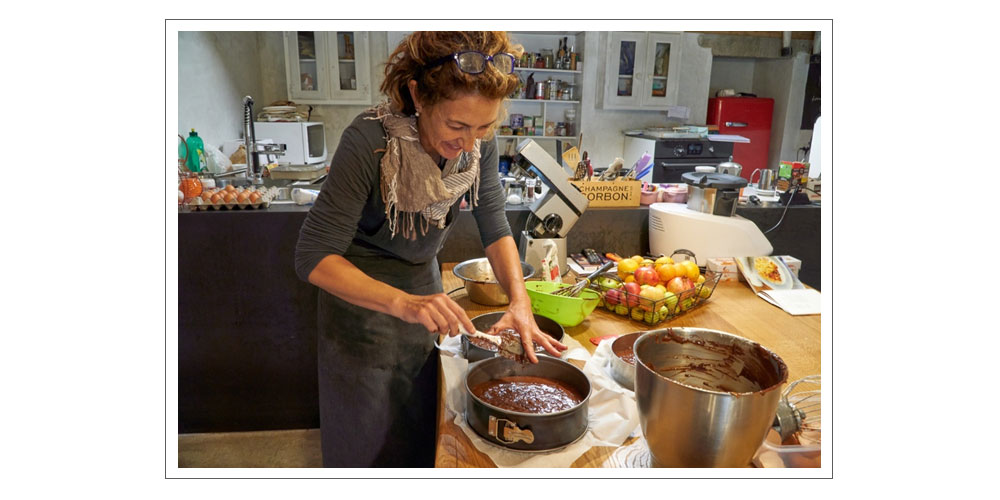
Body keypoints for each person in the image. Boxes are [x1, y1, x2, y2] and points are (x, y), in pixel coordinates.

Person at [294, 31, 567, 468]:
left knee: (425, 432)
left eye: (483, 127)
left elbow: (495, 225)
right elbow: (313, 257)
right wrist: (403, 303)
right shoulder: (370, 142)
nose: (469, 142)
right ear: (418, 95)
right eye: (456, 125)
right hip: (363, 310)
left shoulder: (475, 145)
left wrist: (520, 301)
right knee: (367, 446)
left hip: (427, 297)